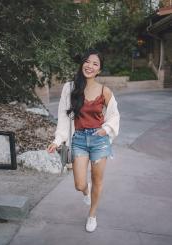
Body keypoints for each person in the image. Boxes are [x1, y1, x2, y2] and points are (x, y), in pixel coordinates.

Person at [47, 48, 120, 233]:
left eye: (95, 64)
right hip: (78, 139)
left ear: (99, 70)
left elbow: (114, 116)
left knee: (98, 180)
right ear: (82, 64)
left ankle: (92, 215)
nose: (90, 66)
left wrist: (106, 130)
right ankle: (86, 192)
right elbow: (63, 117)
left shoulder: (105, 91)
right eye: (87, 62)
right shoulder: (70, 88)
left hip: (99, 140)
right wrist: (58, 140)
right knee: (79, 184)